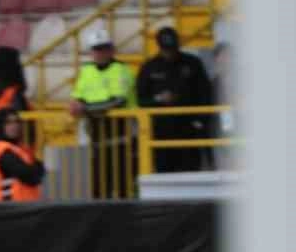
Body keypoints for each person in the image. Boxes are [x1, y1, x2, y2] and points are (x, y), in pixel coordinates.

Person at [70, 25, 137, 199]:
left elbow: (117, 102)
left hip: (122, 138)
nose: (100, 53)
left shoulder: (121, 70)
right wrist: (77, 105)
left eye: (104, 48)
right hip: (98, 139)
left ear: (111, 50)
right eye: (96, 49)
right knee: (99, 188)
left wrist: (86, 109)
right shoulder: (86, 70)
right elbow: (77, 98)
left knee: (123, 187)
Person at [136, 26, 213, 173]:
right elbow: (141, 100)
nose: (170, 53)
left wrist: (200, 121)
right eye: (166, 49)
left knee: (191, 171)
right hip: (161, 133)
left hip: (189, 130)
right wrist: (158, 99)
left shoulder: (193, 63)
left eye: (173, 48)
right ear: (159, 47)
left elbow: (205, 93)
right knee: (164, 172)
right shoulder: (149, 67)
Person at [0, 108, 45, 202]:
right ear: (0, 125)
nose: (14, 126)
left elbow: (37, 171)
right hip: (6, 205)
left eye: (16, 122)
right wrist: (37, 170)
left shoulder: (20, 147)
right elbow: (27, 174)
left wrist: (37, 170)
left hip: (22, 204)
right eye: (8, 123)